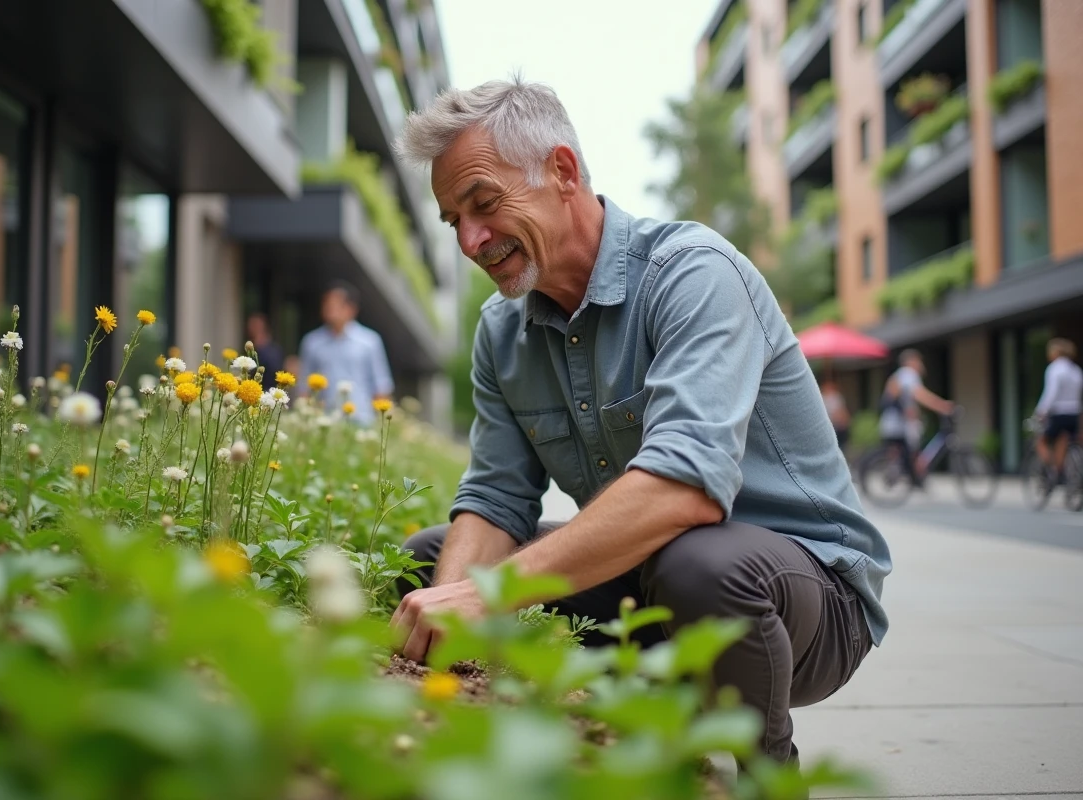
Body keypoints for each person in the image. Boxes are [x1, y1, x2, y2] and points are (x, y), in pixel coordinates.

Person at [388, 78, 891, 765]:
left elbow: (683, 490)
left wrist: (493, 595)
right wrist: (453, 615)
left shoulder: (691, 273)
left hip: (810, 602)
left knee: (700, 564)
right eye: (454, 221)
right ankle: (551, 751)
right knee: (429, 561)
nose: (471, 240)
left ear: (561, 171)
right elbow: (495, 499)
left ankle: (761, 775)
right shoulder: (501, 332)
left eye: (484, 205)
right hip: (651, 578)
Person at [298, 282, 394, 424]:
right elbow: (304, 386)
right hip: (324, 420)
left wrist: (381, 423)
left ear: (351, 309)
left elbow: (381, 385)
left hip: (361, 420)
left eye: (335, 306)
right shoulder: (312, 342)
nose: (330, 310)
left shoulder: (370, 341)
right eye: (327, 305)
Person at [877, 349, 955, 485]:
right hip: (900, 424)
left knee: (908, 449)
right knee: (913, 450)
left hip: (891, 422)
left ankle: (914, 475)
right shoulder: (908, 373)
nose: (921, 365)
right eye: (919, 361)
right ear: (911, 361)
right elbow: (919, 394)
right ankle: (916, 476)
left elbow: (908, 400)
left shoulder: (898, 375)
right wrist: (942, 406)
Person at [1034, 338, 1083, 484]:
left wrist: (1041, 411)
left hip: (1059, 413)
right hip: (1074, 413)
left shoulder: (1054, 369)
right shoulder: (1076, 370)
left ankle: (1054, 469)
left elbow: (1051, 393)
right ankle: (1061, 470)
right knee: (1064, 439)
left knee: (1041, 441)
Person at [246, 312, 284, 383]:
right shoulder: (251, 351)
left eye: (254, 325)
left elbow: (276, 370)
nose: (250, 329)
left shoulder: (274, 351)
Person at [821, 378, 851, 452]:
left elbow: (843, 410)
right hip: (831, 426)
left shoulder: (837, 396)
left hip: (840, 426)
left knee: (842, 446)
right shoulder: (823, 398)